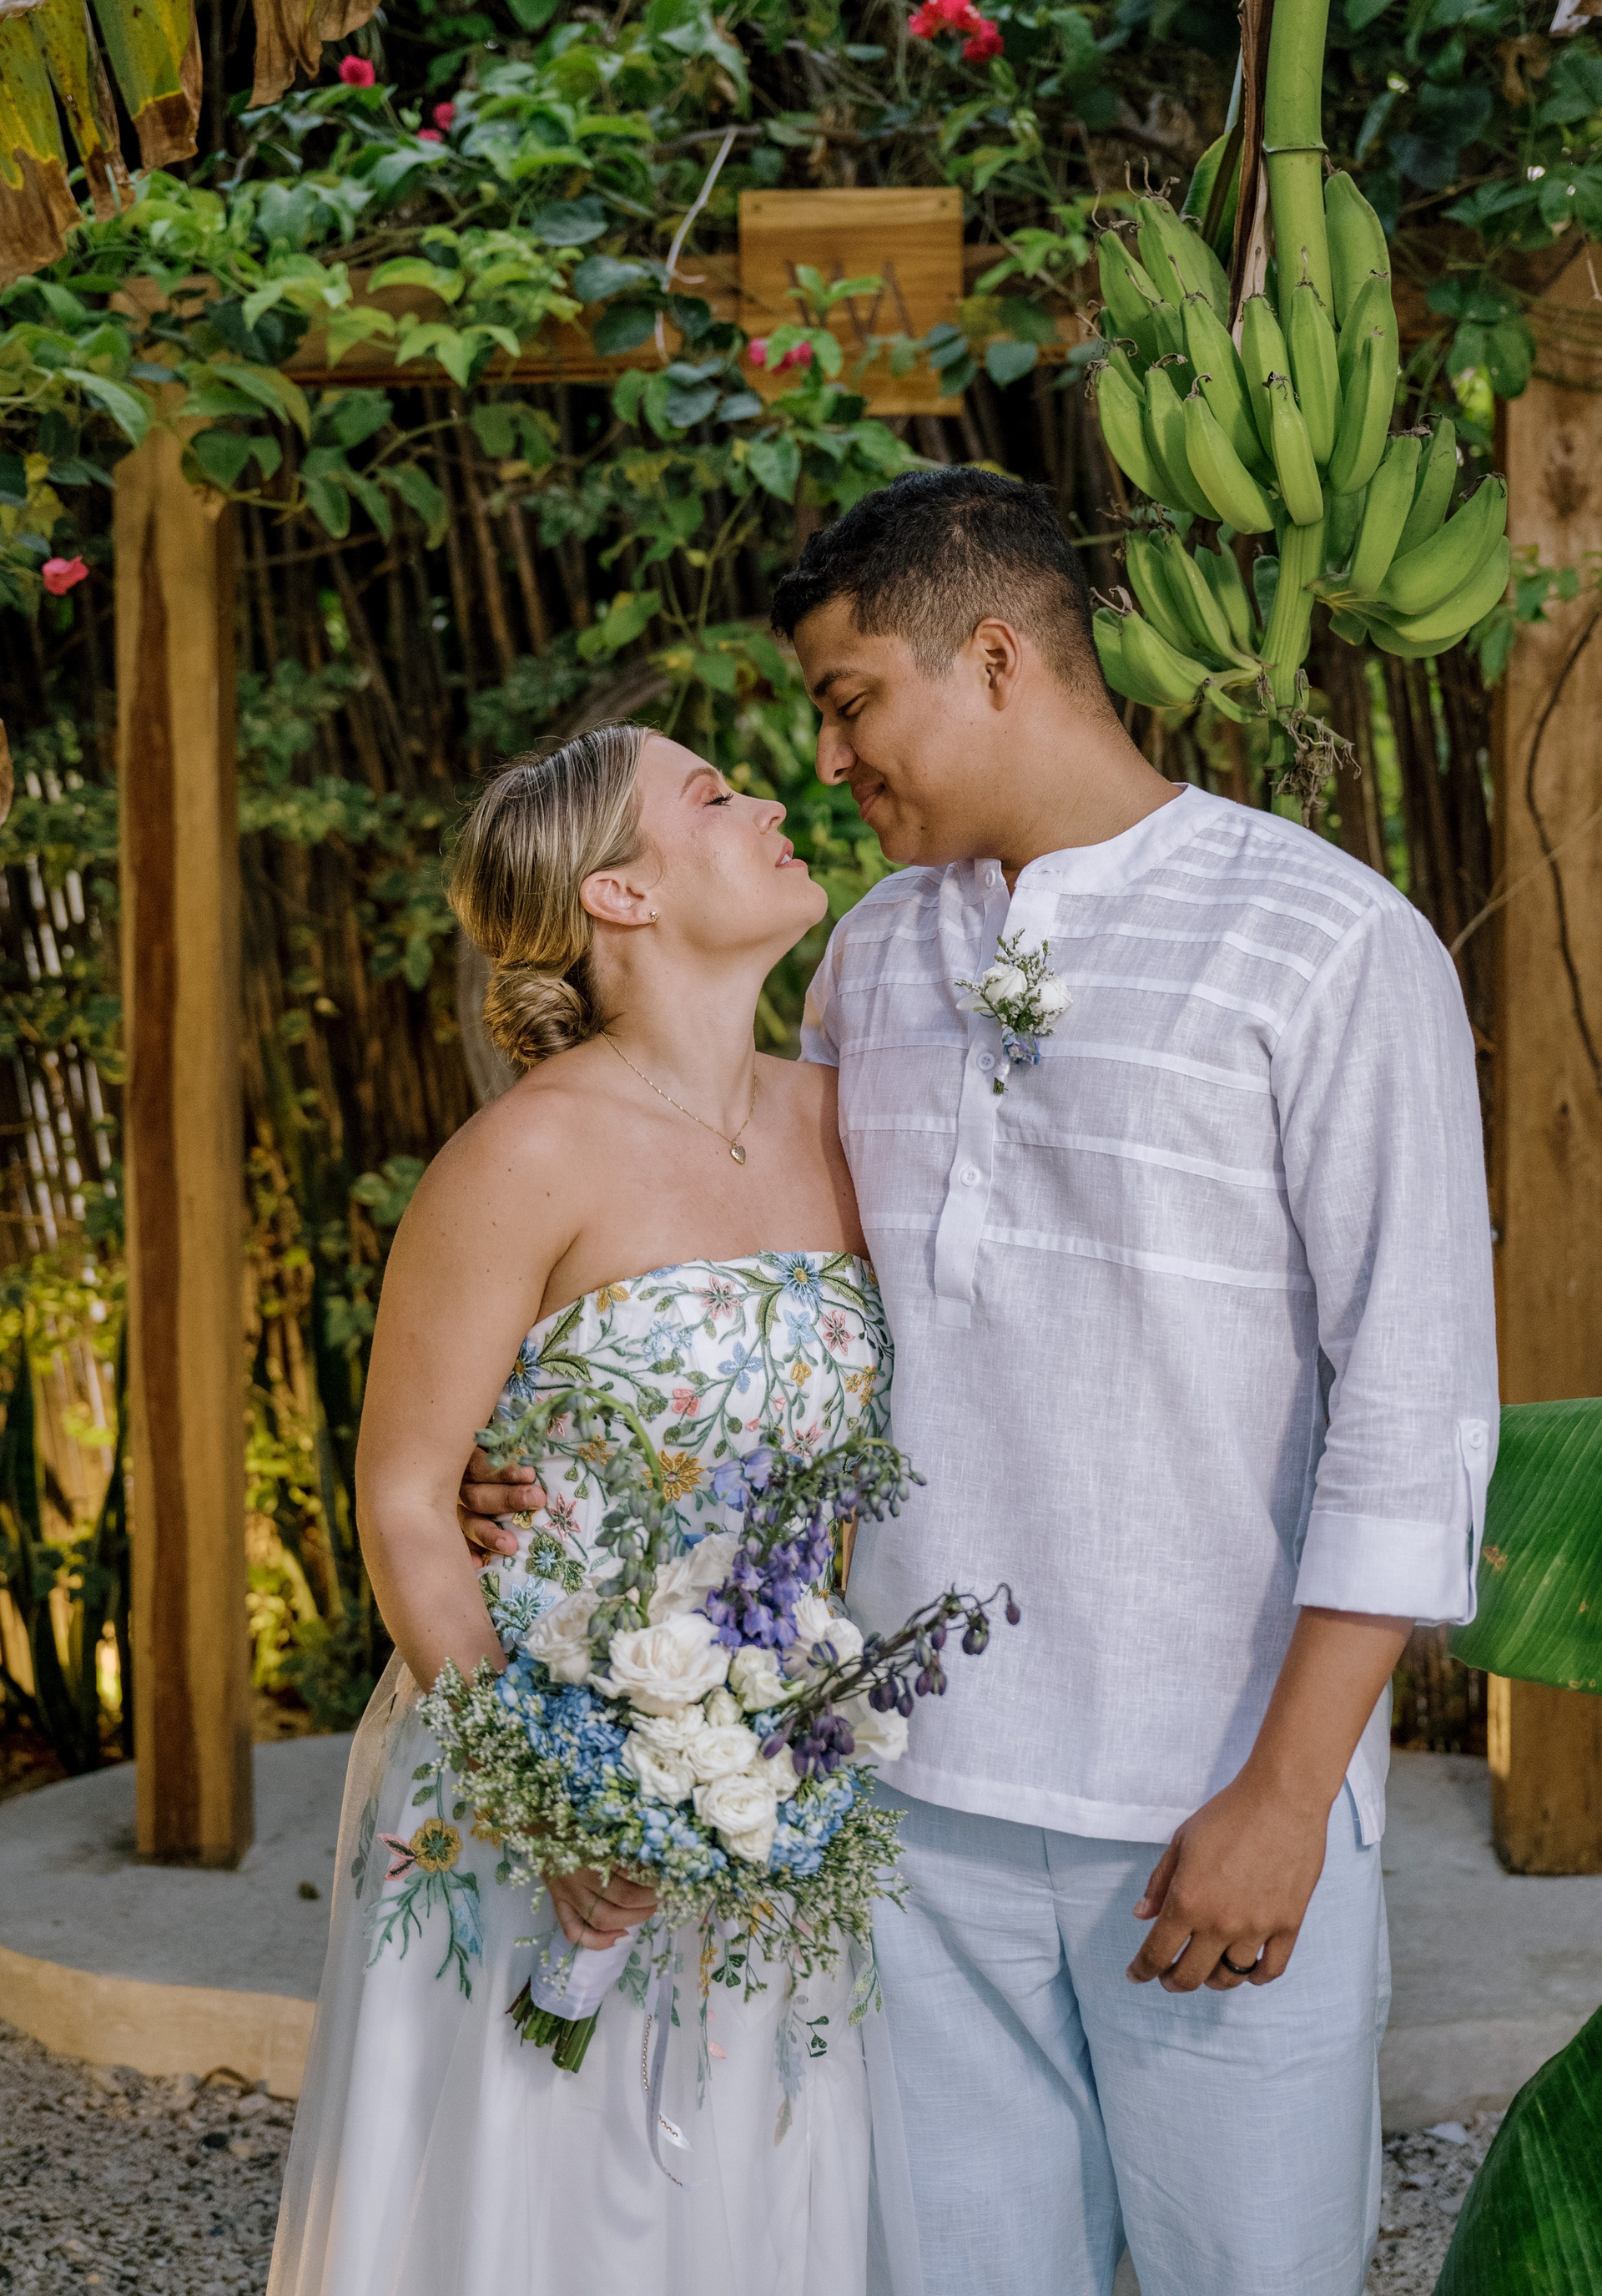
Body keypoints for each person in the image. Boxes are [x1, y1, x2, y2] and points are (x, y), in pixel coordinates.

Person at [459, 468, 1499, 2296]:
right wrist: (565, 1474)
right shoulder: (876, 951)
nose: (830, 759)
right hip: (904, 1807)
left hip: (1208, 1797)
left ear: (996, 658)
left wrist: (1285, 1798)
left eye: (854, 699)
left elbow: (1417, 1411)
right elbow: (788, 1314)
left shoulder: (1329, 944)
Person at [269, 724, 897, 2296]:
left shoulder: (846, 1119)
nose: (772, 798)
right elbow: (406, 1496)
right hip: (536, 1763)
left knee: (753, 2193)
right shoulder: (522, 1153)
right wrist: (551, 1808)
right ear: (621, 892)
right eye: (713, 794)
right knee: (544, 2203)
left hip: (778, 1775)